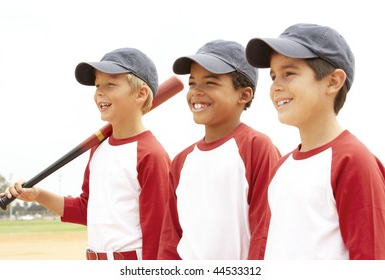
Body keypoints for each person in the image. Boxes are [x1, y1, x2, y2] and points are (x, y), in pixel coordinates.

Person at [0, 47, 171, 260]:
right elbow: (86, 210)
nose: (100, 92)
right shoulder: (99, 149)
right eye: (98, 85)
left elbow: (159, 234)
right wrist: (38, 195)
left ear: (141, 94)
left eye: (110, 85)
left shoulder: (151, 154)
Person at [245, 23, 385, 259]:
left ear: (333, 81)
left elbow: (372, 257)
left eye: (288, 74)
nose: (275, 86)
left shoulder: (353, 161)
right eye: (273, 76)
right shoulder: (281, 168)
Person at [157, 39, 281, 260]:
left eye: (210, 83)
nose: (196, 91)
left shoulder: (257, 148)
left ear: (244, 95)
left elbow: (266, 233)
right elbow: (171, 237)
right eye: (193, 83)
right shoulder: (181, 161)